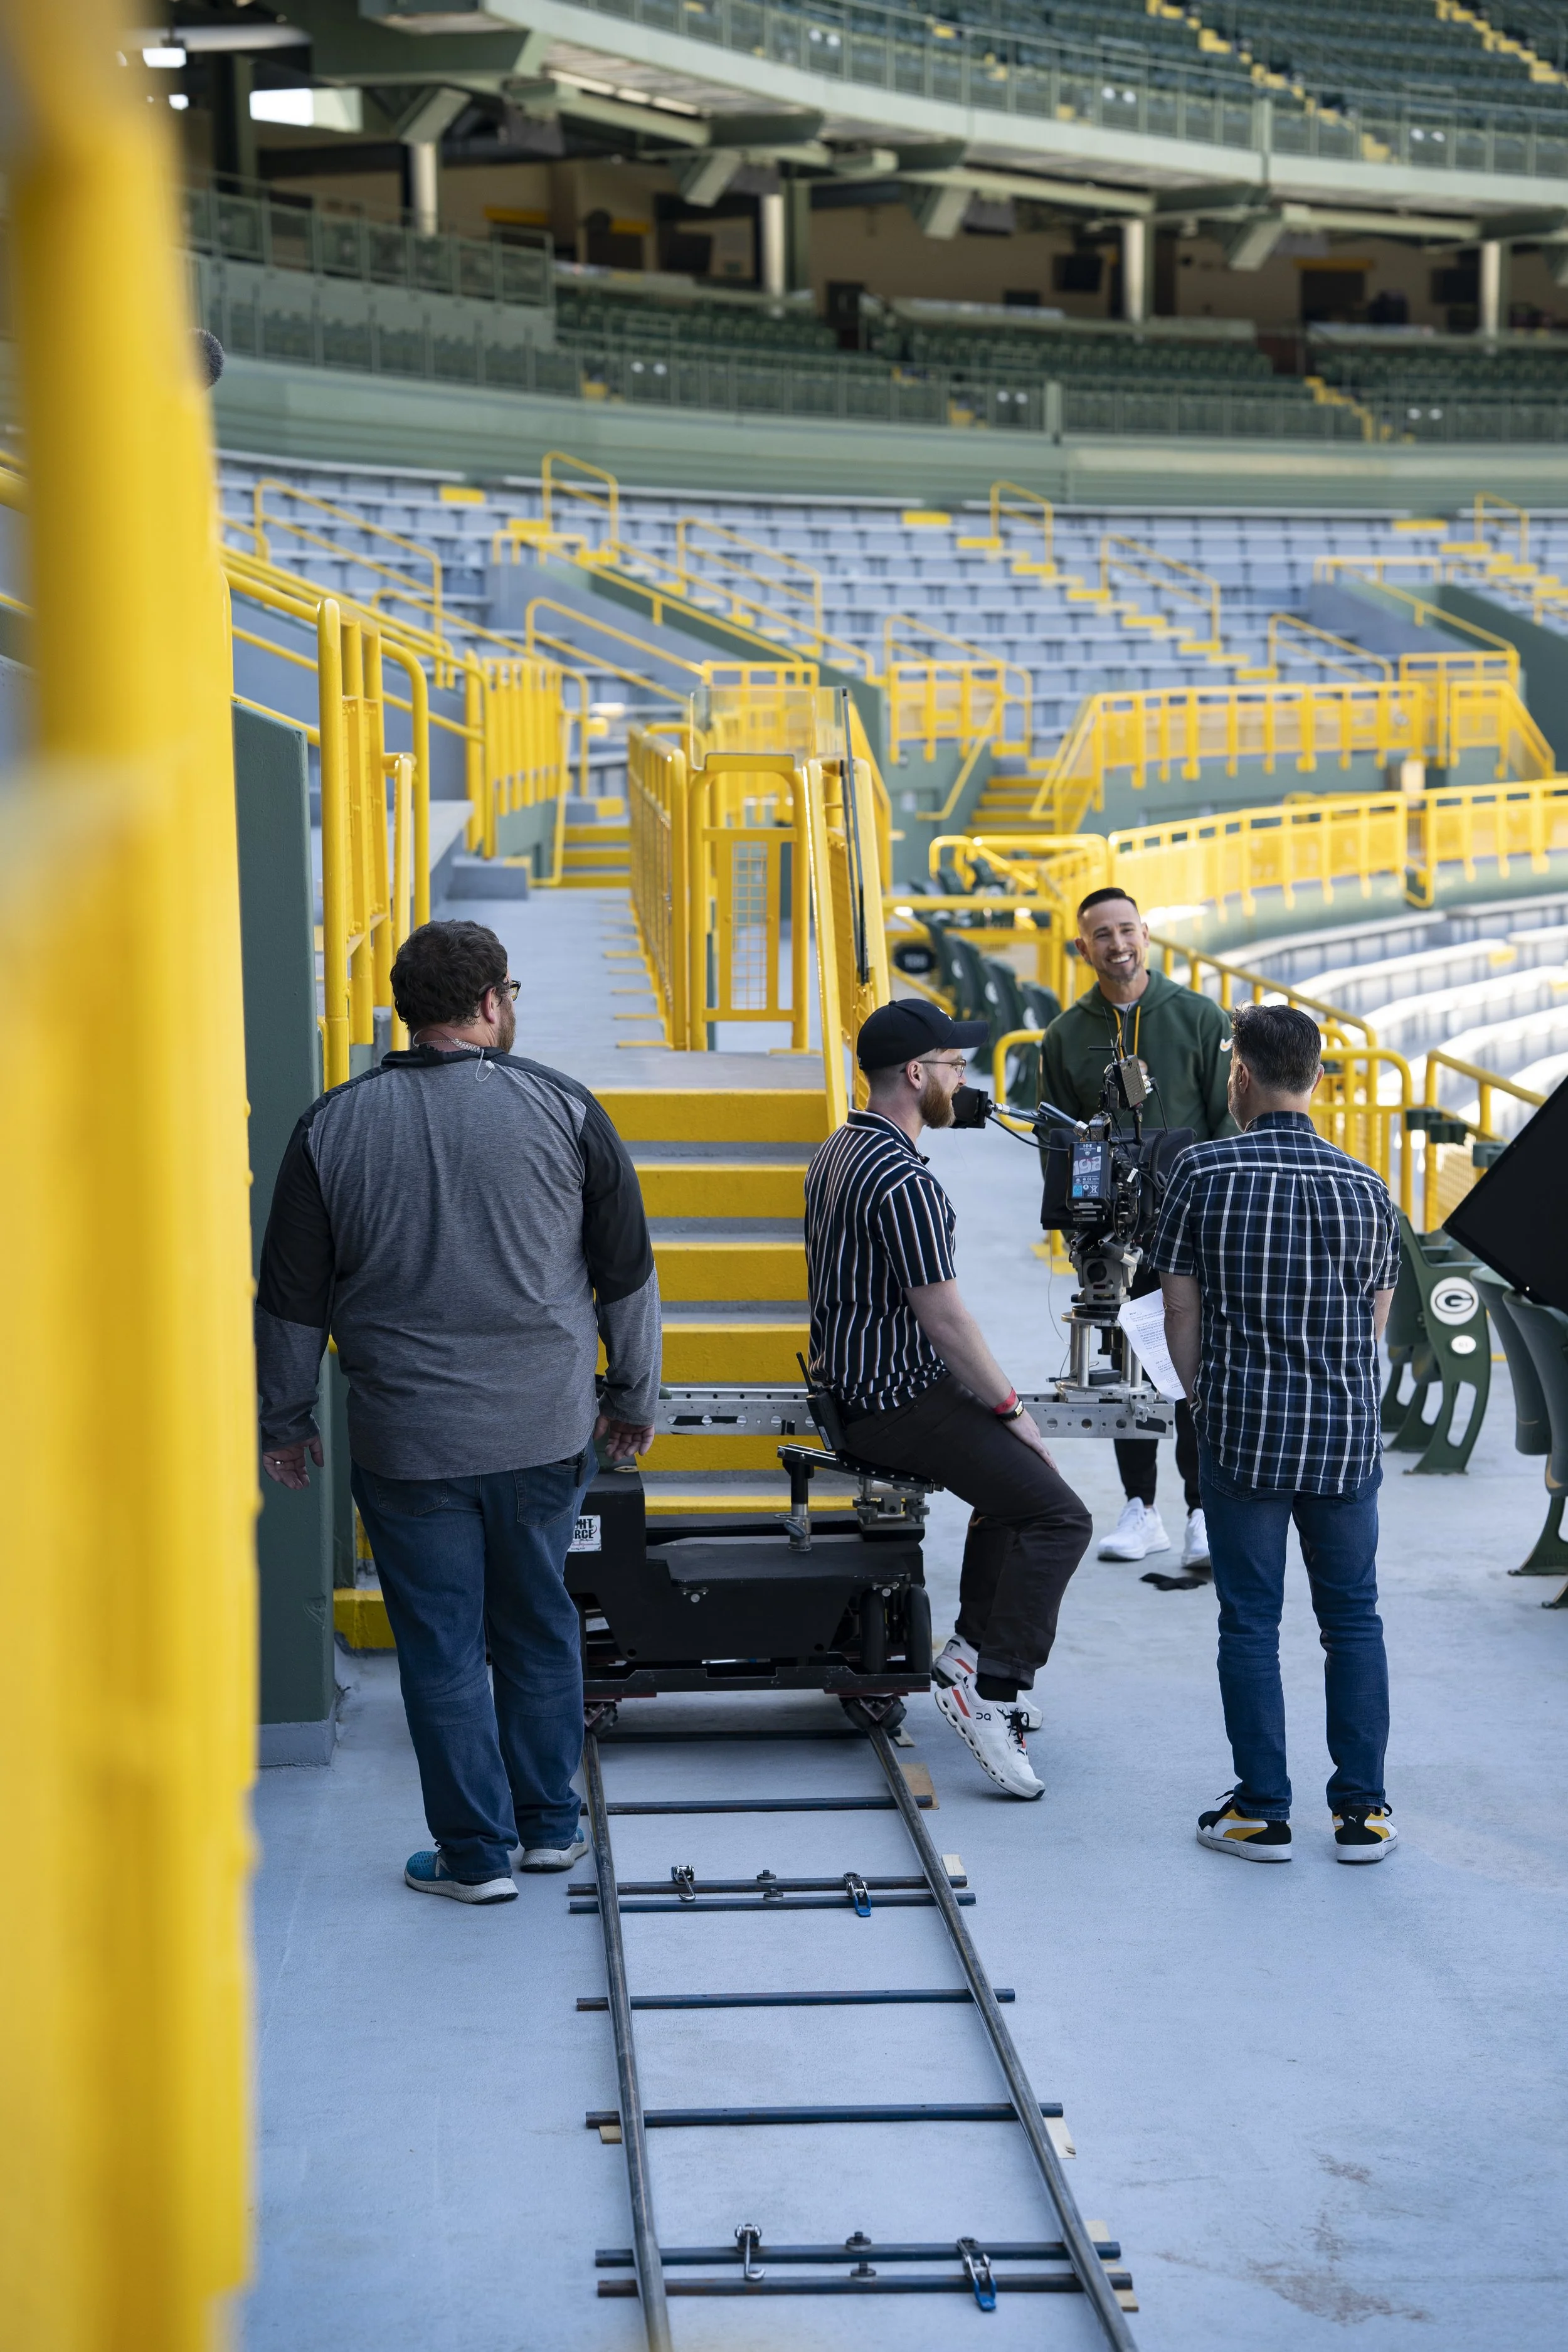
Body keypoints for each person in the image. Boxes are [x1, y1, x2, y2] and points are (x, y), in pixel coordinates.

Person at [255, 920, 660, 1905]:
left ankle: (476, 1856)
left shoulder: (331, 1125)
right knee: (536, 1623)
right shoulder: (565, 1108)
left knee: (439, 1643)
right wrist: (633, 1397)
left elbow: (289, 1298)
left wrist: (286, 1419)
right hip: (544, 1431)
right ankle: (551, 1829)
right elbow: (628, 1276)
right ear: (487, 1004)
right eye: (509, 990)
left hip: (409, 1443)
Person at [804, 998, 1094, 1799]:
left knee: (1013, 1494)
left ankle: (967, 1648)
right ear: (915, 1074)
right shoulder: (905, 1182)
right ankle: (989, 1686)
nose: (963, 1079)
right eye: (953, 1066)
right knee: (1060, 1515)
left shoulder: (836, 1150)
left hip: (857, 1385)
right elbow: (945, 1320)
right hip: (895, 1401)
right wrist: (1011, 1410)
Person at [1150, 1002, 1400, 1866]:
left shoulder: (1203, 1175)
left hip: (1245, 1431)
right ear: (1318, 1078)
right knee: (1353, 1620)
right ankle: (1362, 1815)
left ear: (1240, 1078)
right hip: (1342, 1435)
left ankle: (1263, 1812)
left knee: (1250, 1623)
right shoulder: (1369, 1187)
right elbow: (1371, 1319)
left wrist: (1202, 1400)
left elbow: (1179, 1309)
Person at [1040, 886, 1234, 1581]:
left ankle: (1200, 1511)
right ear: (1082, 947)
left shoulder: (1198, 1016)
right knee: (1128, 1372)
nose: (1117, 945)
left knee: (1191, 1372)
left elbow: (1225, 1123)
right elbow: (1057, 1141)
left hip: (1192, 1232)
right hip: (1114, 1239)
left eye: (1126, 930)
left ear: (1146, 934)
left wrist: (1218, 1218)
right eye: (1102, 935)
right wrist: (1075, 1229)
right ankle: (1138, 1507)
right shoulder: (1064, 1035)